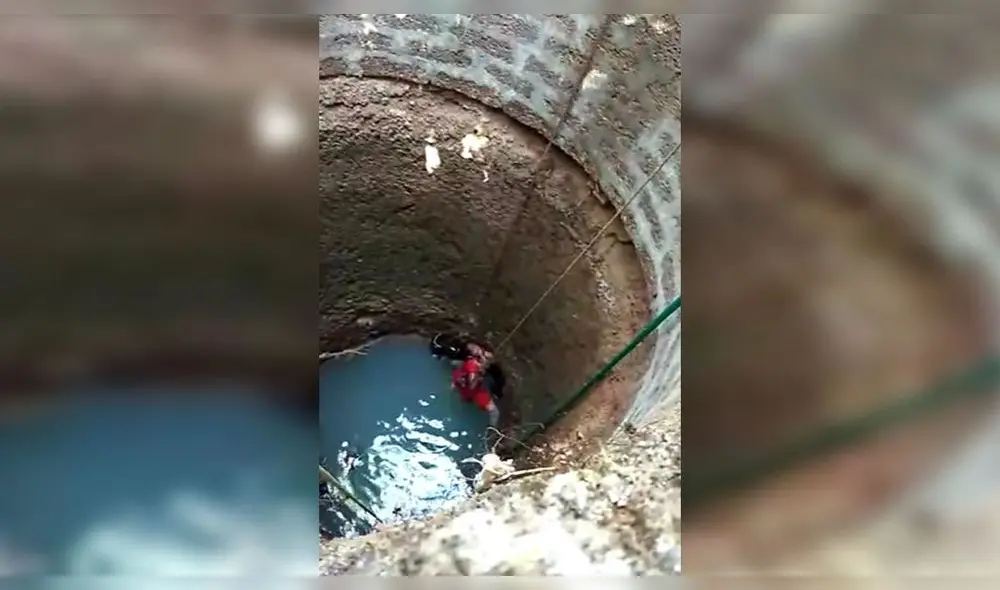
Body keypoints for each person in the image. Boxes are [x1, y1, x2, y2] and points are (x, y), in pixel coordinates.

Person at [451, 354, 499, 427]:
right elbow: (472, 384)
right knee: (495, 412)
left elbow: (453, 386)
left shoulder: (467, 364)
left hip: (464, 390)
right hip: (474, 392)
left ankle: (464, 409)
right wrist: (478, 376)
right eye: (488, 362)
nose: (489, 365)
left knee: (466, 401)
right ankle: (492, 429)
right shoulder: (474, 370)